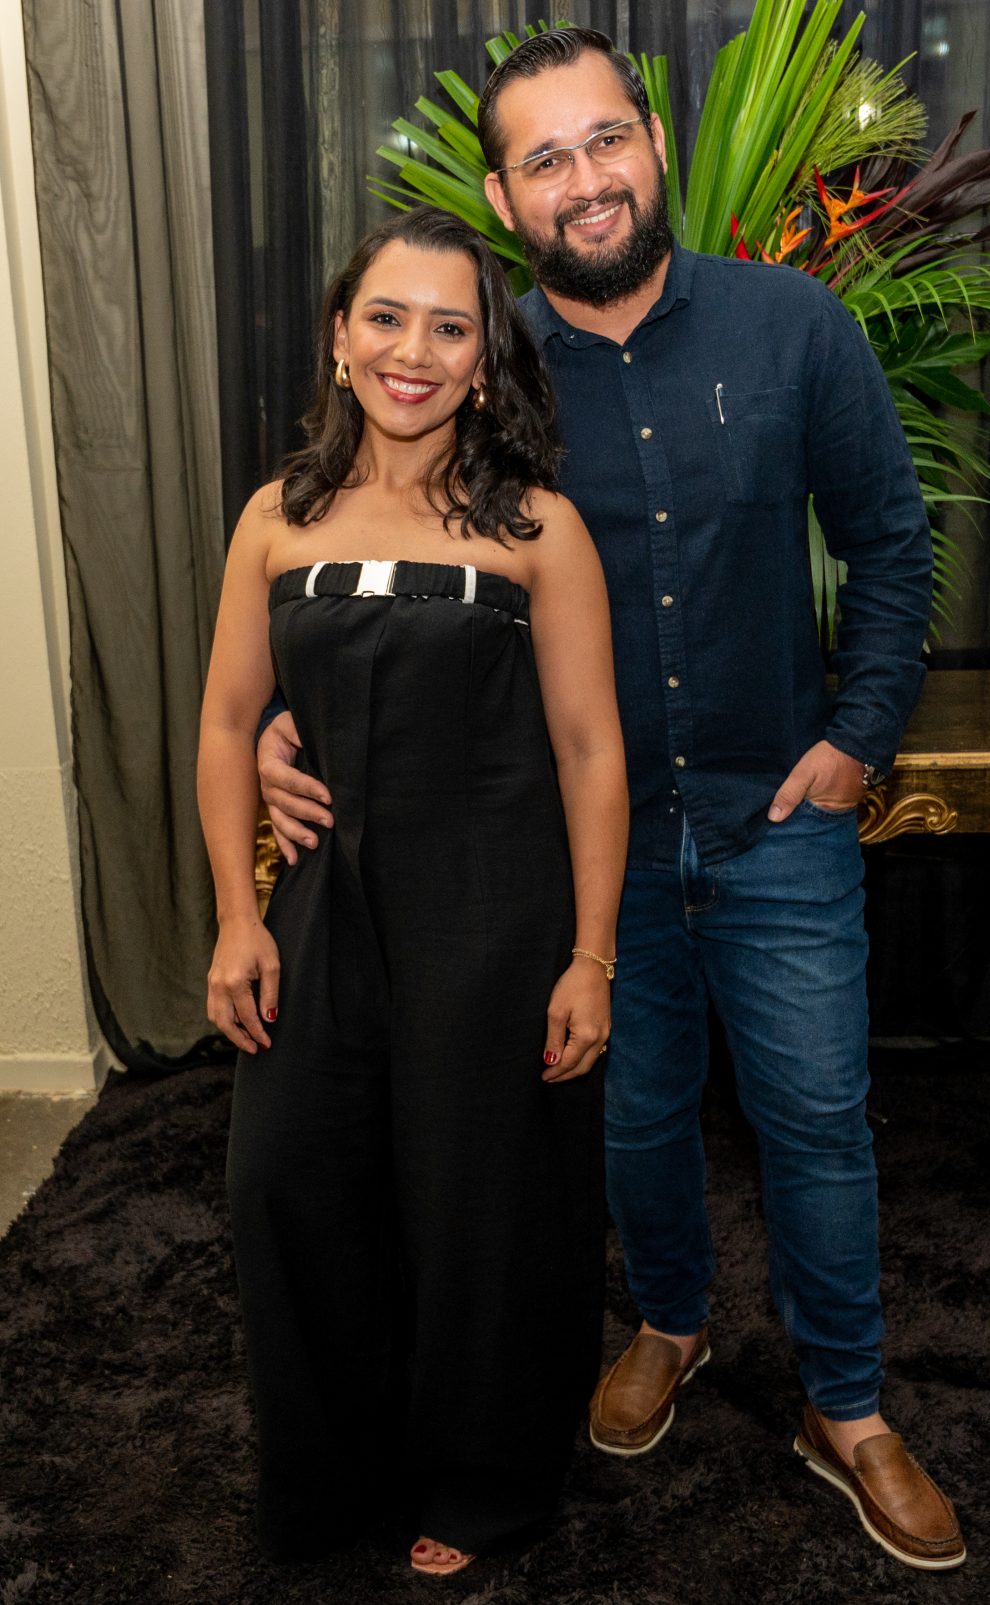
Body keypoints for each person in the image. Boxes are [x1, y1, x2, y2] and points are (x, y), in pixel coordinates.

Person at [258, 29, 966, 1573]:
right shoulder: (475, 357)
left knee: (817, 1115)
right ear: (506, 198)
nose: (584, 180)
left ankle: (847, 1405)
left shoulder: (794, 327)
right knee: (627, 1112)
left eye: (604, 142)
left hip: (780, 814)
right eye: (545, 160)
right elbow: (367, 555)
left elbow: (891, 538)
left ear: (652, 141)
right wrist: (279, 721)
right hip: (575, 843)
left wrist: (858, 738)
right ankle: (670, 1321)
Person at [197, 204, 628, 1576]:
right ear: (340, 337)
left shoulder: (541, 529)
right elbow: (227, 724)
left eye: (451, 328)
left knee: (479, 1211)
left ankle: (480, 1482)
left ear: (485, 361)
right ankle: (335, 1477)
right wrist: (237, 915)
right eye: (387, 317)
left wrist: (591, 958)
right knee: (290, 1187)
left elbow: (591, 751)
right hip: (322, 912)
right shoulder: (276, 518)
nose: (414, 351)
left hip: (495, 918)